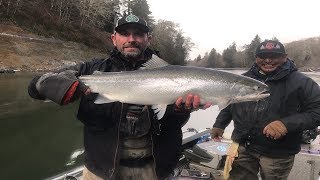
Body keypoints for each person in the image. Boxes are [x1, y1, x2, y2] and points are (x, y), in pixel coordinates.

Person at [28, 14, 210, 180]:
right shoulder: (91, 70)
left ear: (149, 39)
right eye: (124, 33)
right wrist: (65, 87)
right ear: (114, 39)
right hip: (100, 171)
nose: (132, 39)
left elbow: (174, 124)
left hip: (155, 170)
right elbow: (35, 86)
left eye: (138, 34)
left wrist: (180, 110)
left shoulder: (175, 76)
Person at [211, 40, 320, 180]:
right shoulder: (242, 79)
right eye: (263, 56)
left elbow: (317, 111)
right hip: (243, 146)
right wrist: (219, 124)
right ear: (256, 58)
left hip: (278, 152)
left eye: (274, 56)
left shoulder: (302, 82)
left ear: (284, 57)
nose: (268, 60)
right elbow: (231, 102)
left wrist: (286, 124)